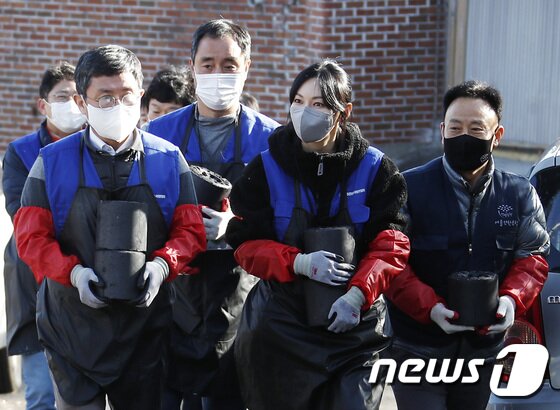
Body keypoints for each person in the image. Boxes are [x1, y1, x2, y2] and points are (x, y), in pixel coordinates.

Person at [13, 45, 206, 409]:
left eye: (126, 96)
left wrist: (162, 265)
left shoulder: (168, 160)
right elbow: (31, 239)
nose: (117, 106)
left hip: (146, 332)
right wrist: (73, 274)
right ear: (82, 103)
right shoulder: (51, 162)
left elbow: (190, 232)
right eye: (104, 98)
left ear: (141, 96)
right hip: (72, 329)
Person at [225, 59, 410, 410]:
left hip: (356, 328)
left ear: (344, 112)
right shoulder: (265, 167)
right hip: (282, 327)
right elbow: (245, 245)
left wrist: (358, 295)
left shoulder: (376, 168)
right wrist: (299, 263)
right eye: (298, 101)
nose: (304, 111)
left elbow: (392, 244)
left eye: (319, 104)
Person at [384, 80, 550, 409]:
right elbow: (391, 260)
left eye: (476, 129)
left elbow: (532, 258)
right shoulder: (408, 188)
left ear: (496, 135)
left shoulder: (518, 194)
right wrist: (430, 308)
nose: (463, 136)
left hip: (485, 354)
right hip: (417, 349)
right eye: (455, 127)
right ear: (442, 131)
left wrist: (511, 300)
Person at [147, 19, 279, 410]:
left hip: (239, 291)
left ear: (247, 67)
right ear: (192, 66)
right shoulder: (158, 134)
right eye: (207, 64)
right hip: (171, 288)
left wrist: (235, 225)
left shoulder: (272, 140)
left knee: (228, 395)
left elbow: (285, 219)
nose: (217, 73)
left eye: (229, 65)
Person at [2, 61, 85, 410]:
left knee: (85, 394)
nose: (72, 104)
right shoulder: (21, 152)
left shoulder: (98, 147)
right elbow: (22, 215)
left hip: (86, 284)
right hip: (34, 280)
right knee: (40, 393)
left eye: (78, 96)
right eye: (62, 97)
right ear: (43, 105)